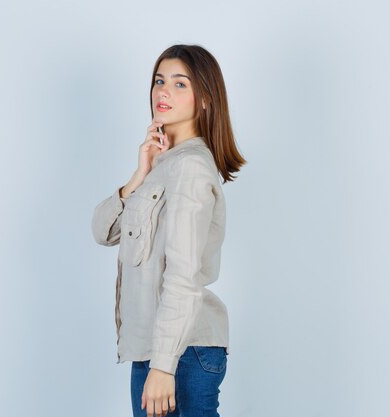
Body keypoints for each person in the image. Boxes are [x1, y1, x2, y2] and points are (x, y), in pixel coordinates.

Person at [91, 44, 245, 417]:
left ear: (205, 99)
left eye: (180, 84)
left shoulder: (190, 168)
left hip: (181, 352)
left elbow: (183, 274)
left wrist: (163, 366)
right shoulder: (162, 165)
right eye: (160, 81)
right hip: (156, 351)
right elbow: (102, 232)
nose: (163, 91)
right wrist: (139, 175)